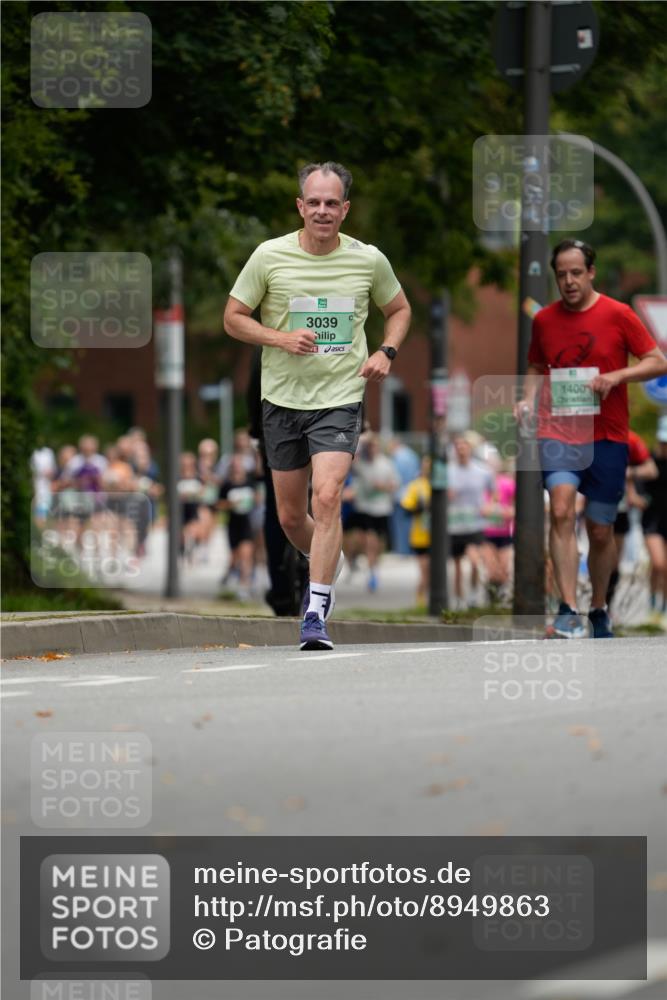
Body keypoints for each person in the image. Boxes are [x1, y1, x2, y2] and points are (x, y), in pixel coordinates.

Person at [223, 161, 411, 650]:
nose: (323, 211)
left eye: (333, 203)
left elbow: (399, 310)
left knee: (326, 498)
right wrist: (280, 337)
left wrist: (385, 351)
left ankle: (315, 610)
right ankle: (329, 555)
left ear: (345, 210)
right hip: (282, 399)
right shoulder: (269, 256)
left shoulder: (368, 260)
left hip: (340, 396)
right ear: (300, 206)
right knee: (290, 518)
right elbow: (233, 318)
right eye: (315, 202)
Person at [516, 238, 667, 638]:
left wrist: (617, 376)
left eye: (576, 273)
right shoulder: (545, 320)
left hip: (608, 436)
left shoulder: (618, 314)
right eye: (561, 274)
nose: (568, 281)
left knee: (601, 529)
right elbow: (535, 366)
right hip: (559, 430)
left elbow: (657, 361)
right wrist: (528, 400)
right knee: (562, 508)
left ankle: (598, 606)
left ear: (591, 273)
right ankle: (567, 608)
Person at [448, 435, 494, 608]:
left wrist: (489, 505)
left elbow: (493, 493)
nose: (461, 449)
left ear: (470, 449)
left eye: (464, 446)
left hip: (475, 523)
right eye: (458, 446)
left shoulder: (482, 471)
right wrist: (447, 496)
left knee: (475, 560)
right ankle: (459, 600)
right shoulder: (447, 471)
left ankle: (474, 594)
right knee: (457, 565)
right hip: (453, 523)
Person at [350, 432, 400, 592]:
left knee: (378, 544)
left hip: (382, 508)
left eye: (375, 446)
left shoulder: (386, 463)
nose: (372, 449)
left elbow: (395, 485)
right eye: (369, 447)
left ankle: (373, 568)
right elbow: (350, 458)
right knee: (369, 541)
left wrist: (383, 487)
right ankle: (370, 572)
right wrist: (363, 438)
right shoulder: (360, 464)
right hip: (365, 508)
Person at [642, 414, 667, 620]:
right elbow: (636, 487)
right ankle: (652, 600)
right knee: (659, 563)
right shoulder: (649, 462)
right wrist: (637, 497)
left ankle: (663, 607)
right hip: (652, 520)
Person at [401, 455, 432, 606]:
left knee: (432, 571)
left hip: (437, 536)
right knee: (425, 570)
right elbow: (406, 506)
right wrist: (419, 507)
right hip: (420, 535)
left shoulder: (440, 485)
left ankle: (427, 598)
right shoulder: (416, 485)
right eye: (425, 464)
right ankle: (421, 599)